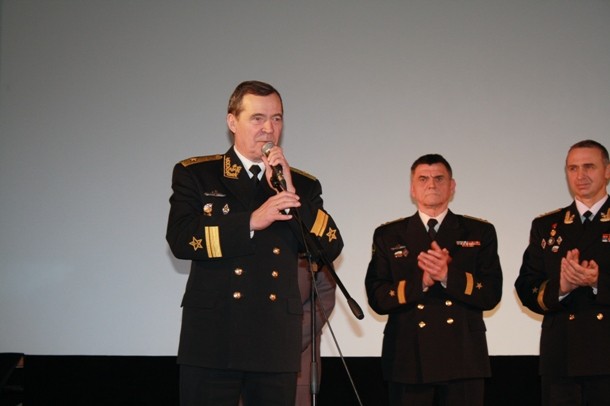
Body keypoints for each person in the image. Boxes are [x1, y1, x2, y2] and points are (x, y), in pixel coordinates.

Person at [166, 80, 343, 406]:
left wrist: (290, 190)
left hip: (274, 341)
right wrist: (249, 221)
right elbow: (180, 239)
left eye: (276, 118)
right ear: (232, 121)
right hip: (214, 338)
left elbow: (330, 247)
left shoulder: (302, 185)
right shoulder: (198, 174)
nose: (268, 128)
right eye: (257, 118)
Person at [365, 153, 503, 406]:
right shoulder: (388, 235)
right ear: (412, 188)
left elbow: (492, 293)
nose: (431, 184)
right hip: (408, 358)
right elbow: (377, 297)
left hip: (463, 357)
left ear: (452, 186)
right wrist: (422, 282)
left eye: (439, 178)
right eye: (423, 179)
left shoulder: (479, 231)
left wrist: (449, 276)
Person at [515, 139, 610, 406]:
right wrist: (561, 287)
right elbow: (526, 286)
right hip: (561, 358)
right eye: (573, 168)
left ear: (607, 171)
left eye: (589, 166)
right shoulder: (546, 225)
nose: (580, 175)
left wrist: (597, 282)